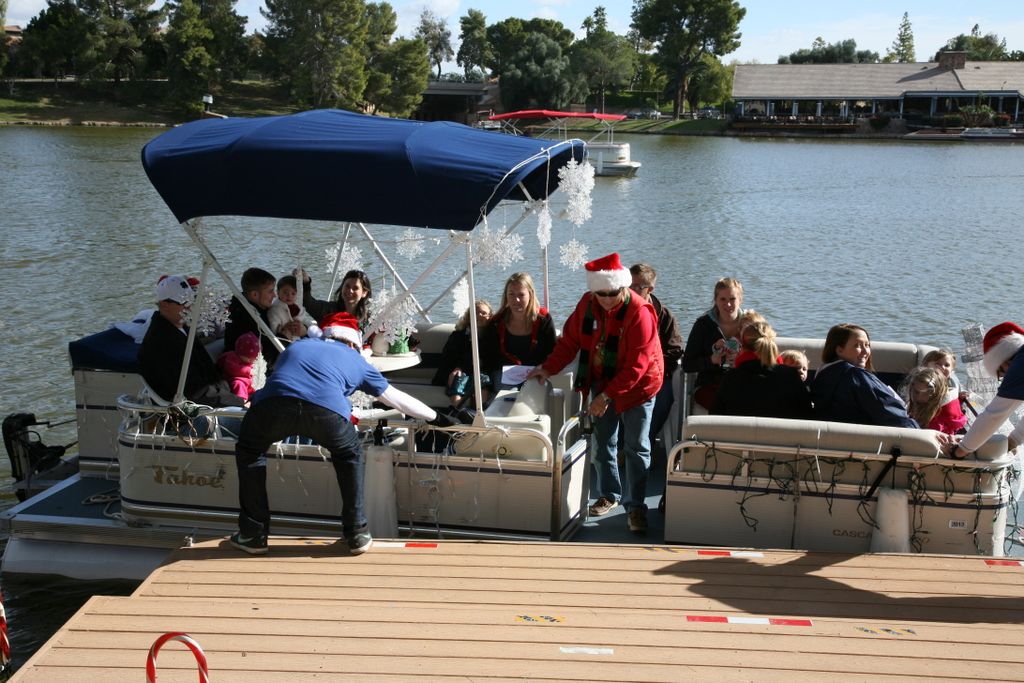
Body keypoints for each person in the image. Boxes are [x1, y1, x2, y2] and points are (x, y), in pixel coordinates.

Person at [230, 312, 460, 556]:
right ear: (353, 344)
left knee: (250, 451)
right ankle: (356, 532)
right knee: (348, 454)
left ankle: (253, 534)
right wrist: (437, 418)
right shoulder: (358, 361)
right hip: (326, 412)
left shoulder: (298, 346)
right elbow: (397, 399)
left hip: (273, 405)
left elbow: (280, 378)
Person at [526, 253, 662, 535]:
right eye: (602, 293)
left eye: (613, 293)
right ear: (593, 290)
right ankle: (609, 494)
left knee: (637, 447)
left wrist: (606, 397)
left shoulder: (640, 313)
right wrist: (547, 369)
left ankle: (635, 506)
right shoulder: (587, 306)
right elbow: (570, 343)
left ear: (623, 287)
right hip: (603, 378)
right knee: (602, 445)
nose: (608, 298)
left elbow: (638, 366)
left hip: (641, 386)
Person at [138, 275, 245, 408]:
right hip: (192, 415)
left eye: (193, 301)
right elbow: (195, 392)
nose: (191, 308)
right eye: (184, 303)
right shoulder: (161, 345)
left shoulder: (182, 327)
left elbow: (209, 372)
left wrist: (233, 395)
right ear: (164, 305)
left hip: (212, 401)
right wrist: (239, 404)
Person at [811, 323, 918, 428]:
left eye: (867, 345)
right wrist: (919, 431)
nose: (865, 351)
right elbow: (895, 418)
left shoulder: (822, 375)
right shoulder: (856, 377)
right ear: (839, 350)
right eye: (857, 345)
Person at [951, 322, 1024, 458]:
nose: (1004, 377)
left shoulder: (1019, 367)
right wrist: (1013, 441)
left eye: (1001, 371)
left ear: (1005, 359)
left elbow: (994, 415)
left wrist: (959, 451)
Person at [629, 263, 684, 442]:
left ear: (650, 289)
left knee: (664, 398)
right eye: (629, 285)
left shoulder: (665, 316)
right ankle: (622, 445)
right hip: (627, 373)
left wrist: (651, 364)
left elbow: (675, 350)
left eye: (638, 287)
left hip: (656, 375)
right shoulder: (618, 312)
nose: (632, 290)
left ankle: (646, 440)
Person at [711, 322, 812, 419]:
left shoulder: (730, 378)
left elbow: (715, 415)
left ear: (742, 348)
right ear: (771, 344)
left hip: (740, 435)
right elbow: (806, 414)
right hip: (782, 436)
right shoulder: (791, 376)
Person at [481, 272, 556, 388]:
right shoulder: (497, 322)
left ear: (530, 294)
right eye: (511, 294)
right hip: (504, 374)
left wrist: (537, 369)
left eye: (521, 295)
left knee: (534, 389)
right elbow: (488, 355)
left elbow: (550, 351)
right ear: (506, 296)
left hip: (535, 372)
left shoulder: (543, 320)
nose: (516, 300)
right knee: (506, 391)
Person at [682, 278, 745, 412]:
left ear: (740, 300)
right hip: (710, 384)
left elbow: (764, 357)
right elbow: (687, 364)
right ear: (715, 300)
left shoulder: (750, 324)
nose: (728, 304)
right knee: (726, 403)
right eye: (723, 299)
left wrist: (741, 360)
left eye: (732, 299)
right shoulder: (703, 325)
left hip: (742, 381)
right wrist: (712, 360)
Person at [432, 300, 494, 407]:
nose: (479, 315)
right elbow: (448, 356)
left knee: (482, 381)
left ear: (490, 317)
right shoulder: (458, 335)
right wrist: (458, 367)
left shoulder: (492, 337)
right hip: (459, 370)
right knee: (457, 377)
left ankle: (479, 414)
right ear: (469, 317)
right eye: (475, 312)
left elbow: (492, 359)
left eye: (483, 313)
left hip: (481, 371)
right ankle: (458, 410)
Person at [224, 268, 280, 366]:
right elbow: (264, 356)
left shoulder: (247, 307)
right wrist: (285, 335)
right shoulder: (247, 319)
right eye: (270, 291)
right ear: (254, 294)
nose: (275, 295)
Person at [301, 269, 373, 332]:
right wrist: (305, 283)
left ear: (364, 293)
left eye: (355, 288)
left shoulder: (368, 318)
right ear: (342, 287)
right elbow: (308, 302)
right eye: (347, 286)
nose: (350, 291)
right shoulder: (327, 310)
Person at [922, 348, 968, 435]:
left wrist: (960, 397)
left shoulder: (952, 382)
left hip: (952, 422)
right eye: (937, 364)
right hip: (932, 420)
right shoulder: (923, 382)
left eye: (947, 365)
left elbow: (953, 402)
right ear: (925, 366)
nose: (942, 367)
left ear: (952, 370)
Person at [900, 366, 950, 433]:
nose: (918, 397)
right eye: (916, 392)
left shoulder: (936, 421)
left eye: (925, 394)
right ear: (911, 387)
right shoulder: (911, 405)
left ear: (935, 395)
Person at [267, 275, 313, 342]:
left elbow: (305, 320)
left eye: (293, 293)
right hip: (286, 342)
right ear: (278, 293)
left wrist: (308, 328)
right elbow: (273, 328)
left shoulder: (297, 307)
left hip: (300, 339)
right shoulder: (274, 310)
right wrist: (283, 330)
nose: (289, 296)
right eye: (285, 292)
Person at [218, 331, 261, 401]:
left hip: (250, 382)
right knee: (238, 384)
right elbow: (233, 369)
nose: (251, 361)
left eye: (254, 358)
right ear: (240, 353)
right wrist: (249, 371)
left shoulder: (254, 361)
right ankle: (241, 400)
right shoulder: (232, 357)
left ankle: (256, 397)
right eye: (249, 358)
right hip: (237, 379)